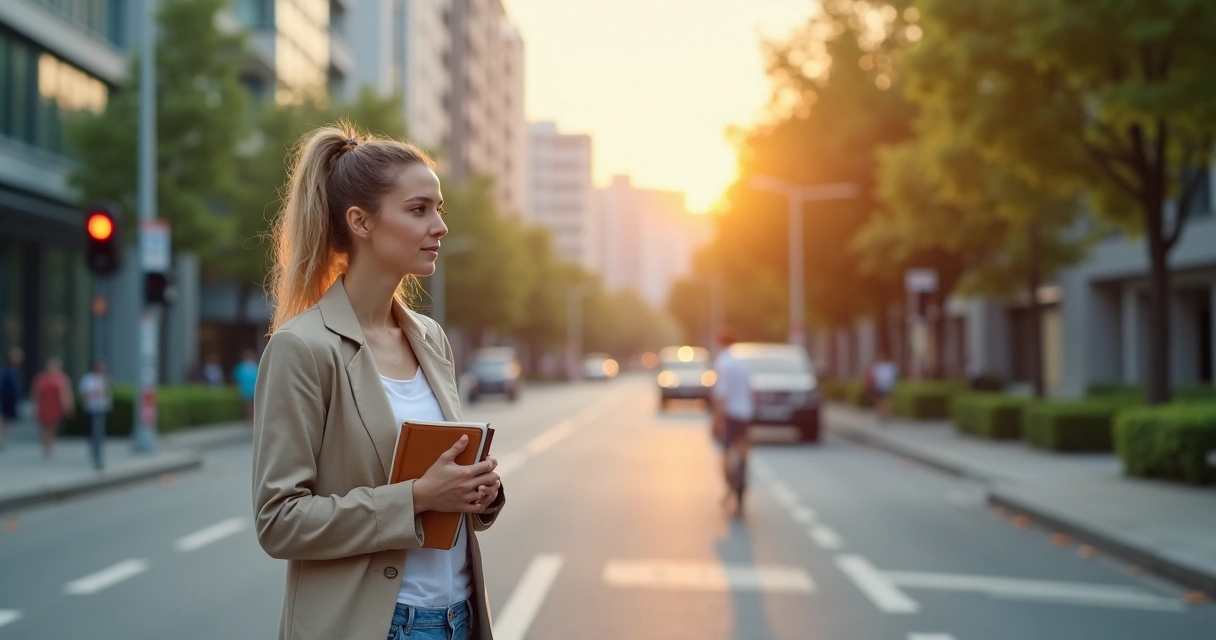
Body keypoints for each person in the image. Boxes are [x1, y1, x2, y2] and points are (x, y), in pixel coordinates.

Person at [252, 123, 504, 640]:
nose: (440, 227)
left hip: (460, 619)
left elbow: (444, 489)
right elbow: (279, 520)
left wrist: (479, 491)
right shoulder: (302, 348)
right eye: (418, 210)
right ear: (361, 222)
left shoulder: (430, 338)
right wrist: (413, 497)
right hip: (376, 626)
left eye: (440, 210)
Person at [710, 328, 753, 515]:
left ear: (720, 344)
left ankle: (730, 483)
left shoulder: (722, 363)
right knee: (743, 447)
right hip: (745, 413)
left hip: (730, 414)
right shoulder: (743, 363)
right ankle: (742, 475)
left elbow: (722, 396)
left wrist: (717, 421)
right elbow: (751, 389)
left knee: (726, 451)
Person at [32, 357, 73, 459]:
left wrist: (68, 406)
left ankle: (50, 445)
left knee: (54, 426)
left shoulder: (62, 378)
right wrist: (35, 406)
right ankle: (45, 446)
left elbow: (66, 393)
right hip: (45, 405)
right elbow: (35, 393)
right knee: (45, 426)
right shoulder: (41, 378)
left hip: (56, 405)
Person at [79, 361, 112, 471]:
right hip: (91, 408)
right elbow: (83, 393)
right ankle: (93, 450)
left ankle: (98, 454)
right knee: (92, 430)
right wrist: (93, 393)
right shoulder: (88, 378)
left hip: (101, 408)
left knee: (99, 432)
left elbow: (108, 392)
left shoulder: (104, 378)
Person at [0, 347, 24, 450]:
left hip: (10, 401)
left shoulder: (15, 370)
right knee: (4, 421)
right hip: (5, 401)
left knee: (6, 422)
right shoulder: (7, 371)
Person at [871, 350, 899, 422]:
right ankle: (881, 414)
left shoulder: (889, 366)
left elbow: (894, 375)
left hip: (887, 386)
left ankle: (887, 414)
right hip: (879, 386)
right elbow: (873, 377)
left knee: (887, 400)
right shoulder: (877, 366)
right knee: (880, 401)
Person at [232, 349, 259, 420]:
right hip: (245, 390)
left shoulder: (255, 366)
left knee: (255, 404)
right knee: (248, 405)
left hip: (255, 389)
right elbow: (236, 379)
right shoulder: (240, 367)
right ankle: (250, 417)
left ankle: (255, 417)